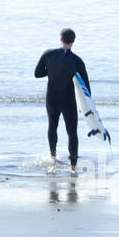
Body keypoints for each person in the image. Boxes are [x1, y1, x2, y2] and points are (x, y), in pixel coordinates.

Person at [34, 28, 90, 169]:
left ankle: (52, 157)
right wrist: (83, 106)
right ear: (73, 41)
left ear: (61, 39)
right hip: (69, 101)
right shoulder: (77, 61)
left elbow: (37, 73)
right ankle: (73, 166)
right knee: (72, 132)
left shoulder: (48, 54)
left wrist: (51, 72)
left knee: (52, 126)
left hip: (52, 99)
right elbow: (86, 88)